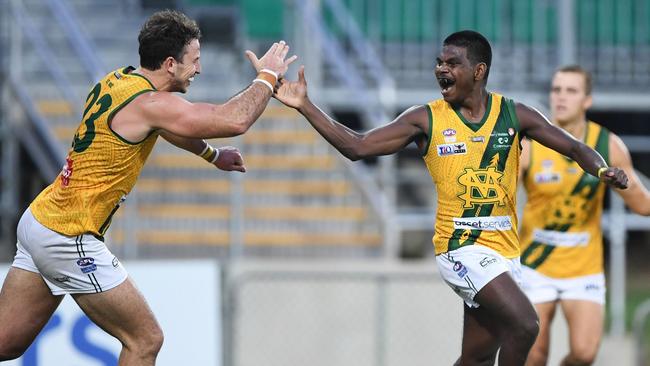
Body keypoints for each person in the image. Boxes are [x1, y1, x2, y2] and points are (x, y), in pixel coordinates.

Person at [273, 30, 629, 366]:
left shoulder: (514, 114)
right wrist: (305, 105)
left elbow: (574, 147)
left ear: (478, 71)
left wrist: (601, 171)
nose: (441, 69)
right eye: (439, 62)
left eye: (452, 63)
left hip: (504, 251)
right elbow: (357, 146)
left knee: (476, 358)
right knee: (525, 325)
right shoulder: (424, 119)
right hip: (461, 247)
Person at [0, 9, 296, 364]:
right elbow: (234, 120)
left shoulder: (118, 81)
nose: (199, 69)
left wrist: (211, 154)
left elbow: (168, 124)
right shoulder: (150, 104)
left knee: (6, 344)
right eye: (194, 60)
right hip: (69, 236)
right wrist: (267, 76)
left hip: (40, 222)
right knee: (145, 340)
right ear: (171, 63)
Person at [519, 65, 650, 366]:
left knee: (584, 353)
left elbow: (642, 205)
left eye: (571, 91)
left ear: (587, 100)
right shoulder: (531, 145)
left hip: (583, 269)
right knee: (534, 354)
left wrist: (624, 184)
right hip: (535, 265)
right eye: (556, 90)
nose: (561, 97)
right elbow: (504, 198)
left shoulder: (608, 145)